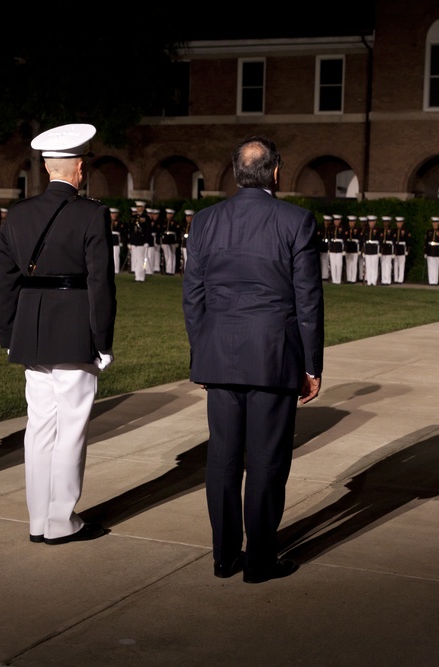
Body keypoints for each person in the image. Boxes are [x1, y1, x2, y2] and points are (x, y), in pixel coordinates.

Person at [182, 135, 323, 584]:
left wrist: (201, 354)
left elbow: (194, 296)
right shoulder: (296, 220)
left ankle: (224, 557)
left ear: (236, 173)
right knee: (266, 461)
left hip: (220, 353)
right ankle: (259, 560)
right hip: (273, 355)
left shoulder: (206, 220)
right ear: (276, 172)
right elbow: (308, 300)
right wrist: (312, 365)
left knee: (223, 459)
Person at [0, 123, 116, 545]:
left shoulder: (19, 215)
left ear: (48, 168)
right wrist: (103, 341)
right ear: (79, 168)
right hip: (74, 328)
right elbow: (100, 284)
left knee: (40, 426)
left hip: (31, 328)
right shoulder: (92, 213)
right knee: (71, 427)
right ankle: (61, 520)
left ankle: (37, 519)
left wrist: (9, 332)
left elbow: (3, 282)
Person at [128, 201, 150, 282]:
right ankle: (137, 276)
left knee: (141, 260)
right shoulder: (133, 217)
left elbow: (148, 230)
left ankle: (141, 277)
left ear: (143, 208)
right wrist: (130, 242)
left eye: (140, 207)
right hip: (134, 241)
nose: (138, 208)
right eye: (137, 207)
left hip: (142, 241)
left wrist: (147, 241)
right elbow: (131, 231)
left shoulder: (146, 218)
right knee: (136, 259)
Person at [424, 216, 439, 285]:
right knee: (430, 266)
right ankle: (431, 281)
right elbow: (426, 242)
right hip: (430, 250)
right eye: (434, 223)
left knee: (436, 266)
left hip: (437, 250)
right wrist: (425, 252)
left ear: (438, 223)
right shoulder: (429, 232)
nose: (435, 224)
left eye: (436, 223)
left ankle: (435, 281)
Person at [161, 208, 181, 275]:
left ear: (172, 215)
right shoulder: (164, 223)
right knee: (167, 256)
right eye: (167, 214)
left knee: (172, 256)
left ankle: (171, 270)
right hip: (165, 241)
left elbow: (177, 233)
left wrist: (177, 242)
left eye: (170, 214)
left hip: (172, 241)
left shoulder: (175, 223)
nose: (168, 215)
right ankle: (168, 270)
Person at [362, 214, 381, 285]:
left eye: (372, 222)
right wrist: (363, 251)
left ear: (375, 222)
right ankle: (369, 281)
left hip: (374, 250)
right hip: (368, 250)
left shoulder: (378, 230)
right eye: (370, 222)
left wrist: (379, 251)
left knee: (374, 266)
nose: (371, 223)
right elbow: (364, 241)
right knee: (368, 266)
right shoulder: (366, 230)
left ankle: (373, 281)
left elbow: (380, 241)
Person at [328, 214, 345, 284]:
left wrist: (344, 250)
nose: (336, 222)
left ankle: (338, 280)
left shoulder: (342, 228)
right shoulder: (331, 228)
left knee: (338, 265)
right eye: (335, 220)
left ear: (340, 221)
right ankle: (334, 280)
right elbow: (329, 240)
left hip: (339, 249)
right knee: (333, 265)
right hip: (332, 249)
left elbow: (344, 240)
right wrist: (328, 249)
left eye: (337, 220)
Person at [344, 215, 361, 283]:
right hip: (348, 249)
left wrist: (359, 250)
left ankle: (353, 279)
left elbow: (360, 240)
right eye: (350, 222)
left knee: (354, 265)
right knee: (348, 264)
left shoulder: (358, 230)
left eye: (353, 222)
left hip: (354, 249)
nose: (351, 223)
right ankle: (348, 278)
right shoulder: (346, 230)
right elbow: (345, 240)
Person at [392, 216, 409, 283]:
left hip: (402, 248)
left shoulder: (405, 231)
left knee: (401, 264)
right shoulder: (394, 231)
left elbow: (408, 241)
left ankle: (400, 279)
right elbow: (393, 240)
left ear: (402, 223)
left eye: (400, 223)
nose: (399, 224)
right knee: (395, 264)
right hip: (396, 248)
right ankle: (395, 278)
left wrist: (407, 250)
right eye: (397, 223)